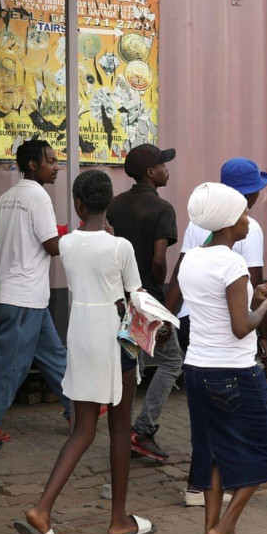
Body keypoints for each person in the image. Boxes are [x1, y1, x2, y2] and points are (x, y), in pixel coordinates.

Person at [14, 171, 155, 534]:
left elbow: (86, 252)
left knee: (83, 428)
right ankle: (119, 519)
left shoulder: (66, 244)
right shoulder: (120, 246)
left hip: (80, 335)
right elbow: (136, 295)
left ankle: (42, 509)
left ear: (77, 204)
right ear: (108, 203)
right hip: (115, 336)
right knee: (121, 427)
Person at [179, 183, 267, 534]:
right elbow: (242, 327)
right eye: (243, 214)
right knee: (263, 451)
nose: (248, 221)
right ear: (228, 221)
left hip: (196, 368)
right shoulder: (232, 262)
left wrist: (255, 297)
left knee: (213, 455)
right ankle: (224, 529)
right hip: (235, 371)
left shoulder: (192, 258)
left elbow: (219, 309)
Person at [169, 157, 267, 505]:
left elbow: (181, 275)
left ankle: (201, 491)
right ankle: (222, 525)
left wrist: (168, 317)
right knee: (258, 443)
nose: (248, 217)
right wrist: (265, 313)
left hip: (196, 348)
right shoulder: (236, 251)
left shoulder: (198, 238)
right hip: (229, 360)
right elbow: (242, 320)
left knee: (207, 427)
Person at [0, 139, 72, 451]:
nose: (56, 168)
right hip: (26, 295)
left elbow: (2, 244)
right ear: (32, 165)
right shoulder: (39, 197)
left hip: (21, 292)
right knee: (10, 363)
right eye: (51, 161)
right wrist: (81, 238)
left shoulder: (6, 198)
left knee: (55, 357)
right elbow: (50, 245)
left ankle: (80, 407)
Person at [108, 144, 181, 462]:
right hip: (147, 298)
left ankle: (122, 433)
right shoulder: (163, 209)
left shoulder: (115, 206)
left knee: (126, 365)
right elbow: (158, 260)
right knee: (171, 361)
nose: (168, 169)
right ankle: (143, 429)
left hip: (120, 298)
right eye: (163, 165)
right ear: (151, 173)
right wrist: (159, 298)